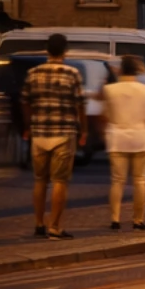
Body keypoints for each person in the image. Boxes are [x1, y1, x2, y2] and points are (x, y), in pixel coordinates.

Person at [23, 35, 85, 239]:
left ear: (47, 51)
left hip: (39, 132)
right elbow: (80, 104)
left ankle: (39, 224)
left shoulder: (33, 73)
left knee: (40, 180)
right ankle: (55, 227)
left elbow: (25, 101)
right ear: (65, 51)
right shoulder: (72, 74)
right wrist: (83, 130)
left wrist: (28, 126)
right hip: (64, 133)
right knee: (60, 180)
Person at [102, 55, 145, 232]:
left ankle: (115, 219)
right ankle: (138, 220)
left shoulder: (109, 90)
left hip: (117, 136)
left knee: (117, 180)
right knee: (140, 180)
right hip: (140, 137)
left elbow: (107, 114)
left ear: (121, 69)